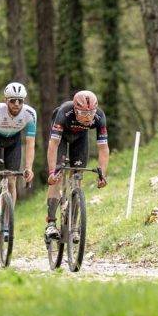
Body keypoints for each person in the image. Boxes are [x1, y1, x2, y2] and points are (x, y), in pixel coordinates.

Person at [45, 90, 108, 239]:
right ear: (75, 109)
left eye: (91, 113)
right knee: (57, 177)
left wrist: (102, 174)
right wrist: (52, 172)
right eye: (83, 113)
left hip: (80, 139)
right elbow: (53, 144)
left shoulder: (99, 117)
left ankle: (73, 227)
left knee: (77, 178)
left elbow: (103, 148)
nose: (88, 117)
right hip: (61, 138)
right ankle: (51, 224)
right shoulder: (64, 112)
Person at [0, 82, 36, 238]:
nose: (16, 104)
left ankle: (6, 222)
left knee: (11, 180)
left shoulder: (30, 114)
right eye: (12, 100)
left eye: (20, 100)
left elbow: (30, 143)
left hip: (13, 142)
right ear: (5, 100)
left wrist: (29, 167)